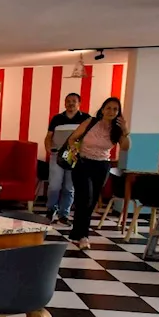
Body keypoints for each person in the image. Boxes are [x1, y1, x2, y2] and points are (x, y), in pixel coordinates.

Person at [66, 97, 131, 250]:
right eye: (108, 108)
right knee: (85, 198)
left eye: (115, 109)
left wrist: (126, 131)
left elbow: (125, 147)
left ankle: (77, 232)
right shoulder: (91, 122)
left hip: (102, 166)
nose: (111, 111)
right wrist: (74, 149)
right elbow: (72, 138)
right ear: (102, 109)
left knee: (91, 200)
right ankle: (84, 236)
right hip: (82, 163)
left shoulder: (116, 130)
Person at [42, 93, 88, 225]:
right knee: (54, 186)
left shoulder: (86, 119)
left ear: (79, 103)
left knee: (69, 187)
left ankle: (64, 215)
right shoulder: (57, 118)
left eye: (74, 101)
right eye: (68, 101)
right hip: (57, 157)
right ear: (64, 103)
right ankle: (51, 210)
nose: (71, 103)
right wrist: (48, 147)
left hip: (75, 158)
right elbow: (48, 136)